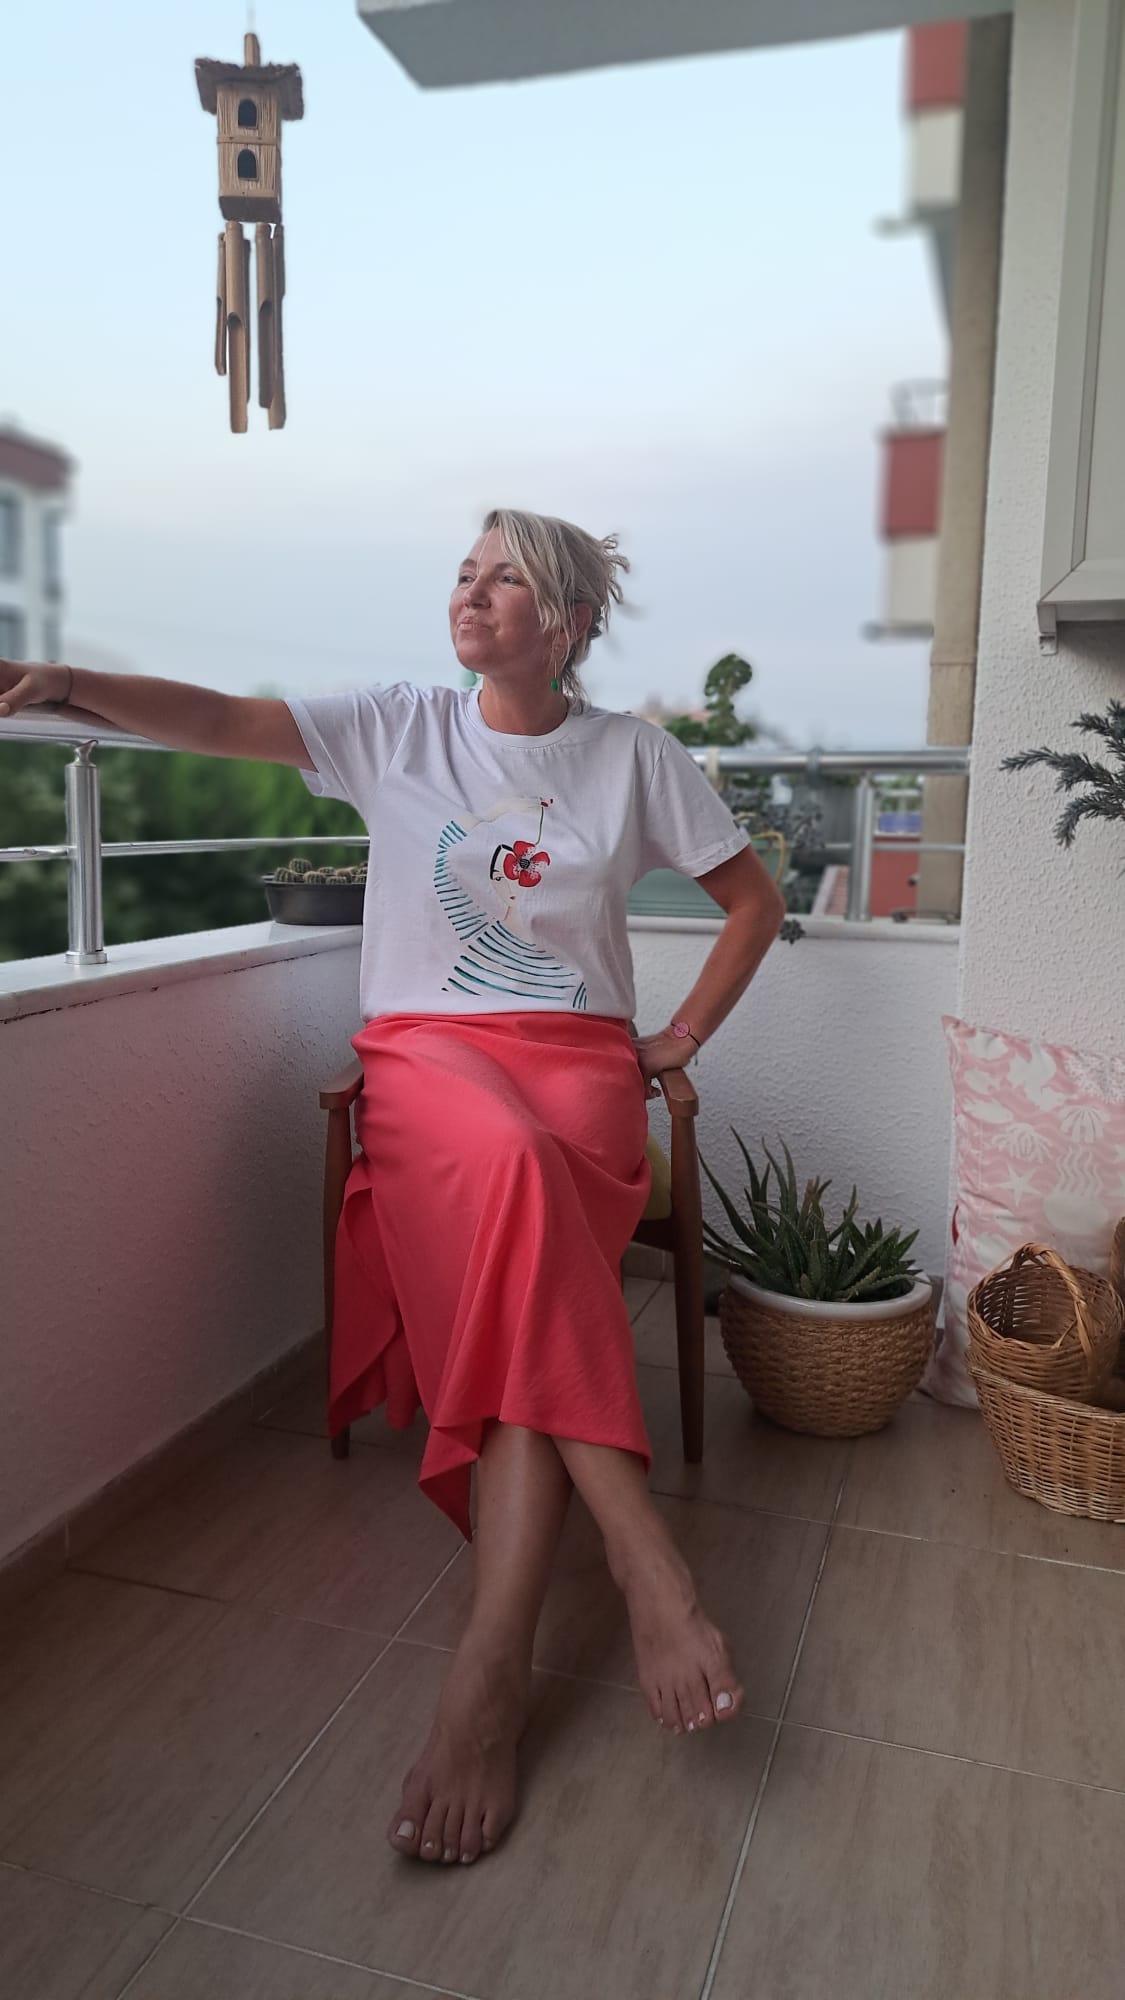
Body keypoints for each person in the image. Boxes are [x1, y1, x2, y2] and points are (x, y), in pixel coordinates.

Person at [0, 508, 785, 1869]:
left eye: (507, 580)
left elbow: (752, 903)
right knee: (513, 1179)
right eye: (464, 574)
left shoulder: (633, 757)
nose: (472, 595)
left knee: (523, 1236)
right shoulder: (397, 727)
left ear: (569, 622)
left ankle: (493, 1665)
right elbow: (220, 721)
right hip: (430, 1057)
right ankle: (636, 1553)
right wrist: (64, 682)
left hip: (579, 1066)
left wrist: (679, 1037)